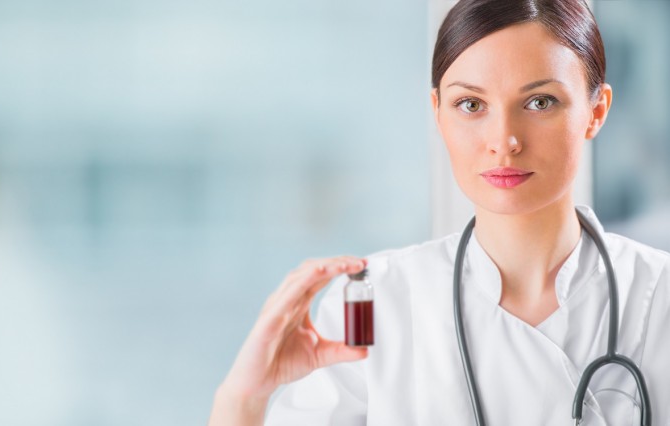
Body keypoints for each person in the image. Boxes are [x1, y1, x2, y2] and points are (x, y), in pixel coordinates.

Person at [209, 0, 670, 424]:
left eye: (539, 102)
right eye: (471, 105)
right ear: (438, 113)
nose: (504, 139)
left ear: (596, 111)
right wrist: (242, 398)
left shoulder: (659, 297)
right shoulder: (376, 306)